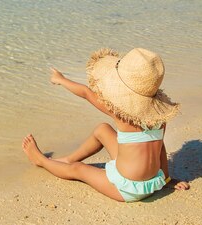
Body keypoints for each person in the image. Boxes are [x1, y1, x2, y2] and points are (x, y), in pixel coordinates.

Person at [22, 48, 189, 202]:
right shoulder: (159, 118)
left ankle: (41, 161)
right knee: (103, 129)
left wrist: (61, 80)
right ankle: (67, 159)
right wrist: (166, 179)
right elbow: (160, 147)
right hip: (154, 182)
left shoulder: (121, 115)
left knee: (78, 169)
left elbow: (87, 93)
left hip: (127, 189)